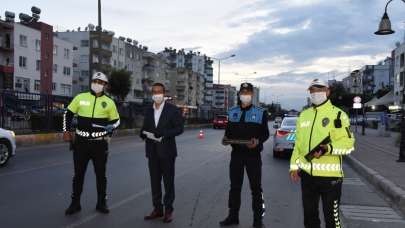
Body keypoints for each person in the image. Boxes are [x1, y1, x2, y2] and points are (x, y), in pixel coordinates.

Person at [290, 79, 355, 228]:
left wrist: (328, 149)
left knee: (332, 220)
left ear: (327, 91)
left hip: (330, 179)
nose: (315, 93)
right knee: (309, 218)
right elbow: (298, 146)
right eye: (312, 91)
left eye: (319, 90)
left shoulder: (338, 115)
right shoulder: (304, 116)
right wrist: (294, 167)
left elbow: (348, 145)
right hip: (307, 177)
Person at [63, 72, 120, 215]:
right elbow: (68, 113)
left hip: (99, 144)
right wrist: (66, 131)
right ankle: (75, 203)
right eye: (95, 81)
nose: (97, 84)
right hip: (80, 143)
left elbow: (117, 120)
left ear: (105, 85)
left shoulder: (109, 102)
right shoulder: (80, 97)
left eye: (101, 82)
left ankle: (101, 203)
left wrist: (111, 127)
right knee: (78, 175)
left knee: (101, 175)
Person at [220, 82, 269, 228]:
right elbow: (228, 133)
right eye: (243, 93)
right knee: (234, 187)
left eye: (248, 93)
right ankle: (233, 216)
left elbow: (265, 133)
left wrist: (257, 141)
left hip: (253, 156)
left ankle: (258, 220)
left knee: (256, 189)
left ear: (252, 95)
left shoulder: (261, 112)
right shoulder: (232, 111)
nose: (245, 95)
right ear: (239, 94)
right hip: (236, 155)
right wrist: (225, 140)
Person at [140, 82, 184, 223]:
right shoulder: (148, 110)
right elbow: (145, 127)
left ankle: (168, 211)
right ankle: (157, 209)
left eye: (159, 91)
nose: (157, 94)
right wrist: (142, 133)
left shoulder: (172, 110)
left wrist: (164, 133)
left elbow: (179, 128)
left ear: (164, 93)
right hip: (152, 151)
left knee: (168, 182)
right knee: (155, 182)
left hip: (167, 152)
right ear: (152, 94)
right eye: (154, 91)